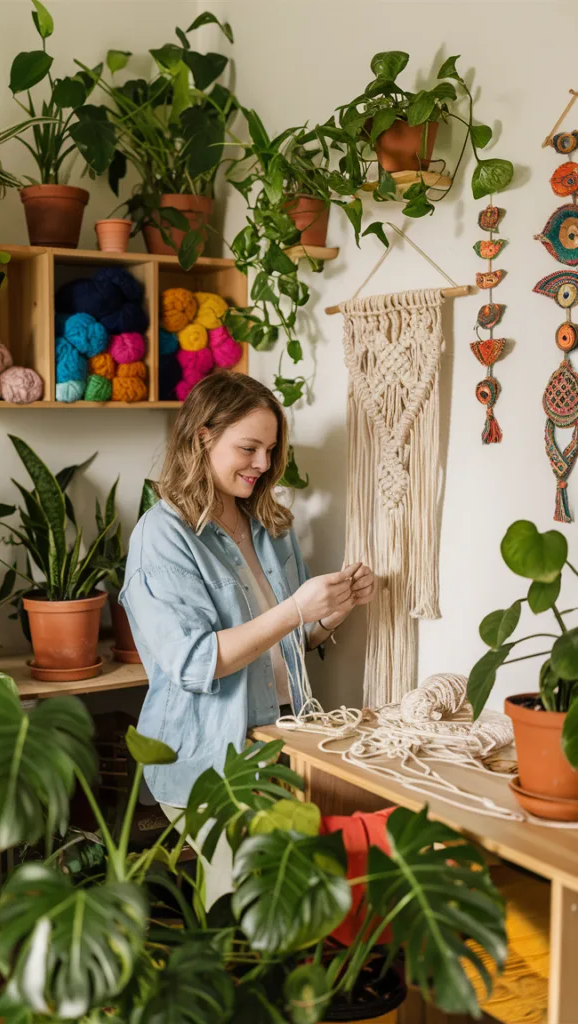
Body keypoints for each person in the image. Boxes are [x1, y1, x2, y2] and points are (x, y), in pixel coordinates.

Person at [121, 370, 376, 903]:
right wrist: (294, 610)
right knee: (248, 910)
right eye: (249, 447)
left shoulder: (270, 524)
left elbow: (284, 645)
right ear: (202, 438)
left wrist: (331, 612)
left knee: (290, 902)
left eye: (270, 449)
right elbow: (195, 663)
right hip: (209, 759)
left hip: (285, 741)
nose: (263, 464)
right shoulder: (161, 536)